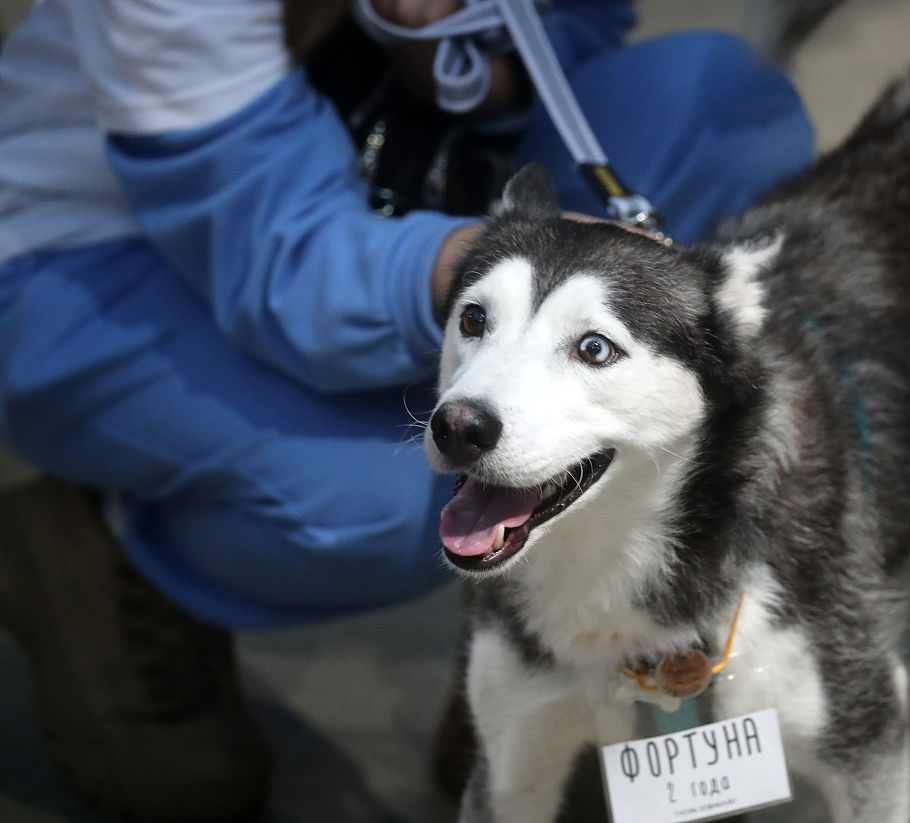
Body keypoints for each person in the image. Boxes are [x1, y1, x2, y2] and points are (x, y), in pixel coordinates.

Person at [0, 0, 815, 819]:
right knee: (395, 499)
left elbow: (582, 23)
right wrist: (494, 273)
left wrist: (458, 63)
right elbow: (279, 253)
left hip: (400, 178)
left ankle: (570, 648)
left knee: (720, 104)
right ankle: (99, 546)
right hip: (99, 258)